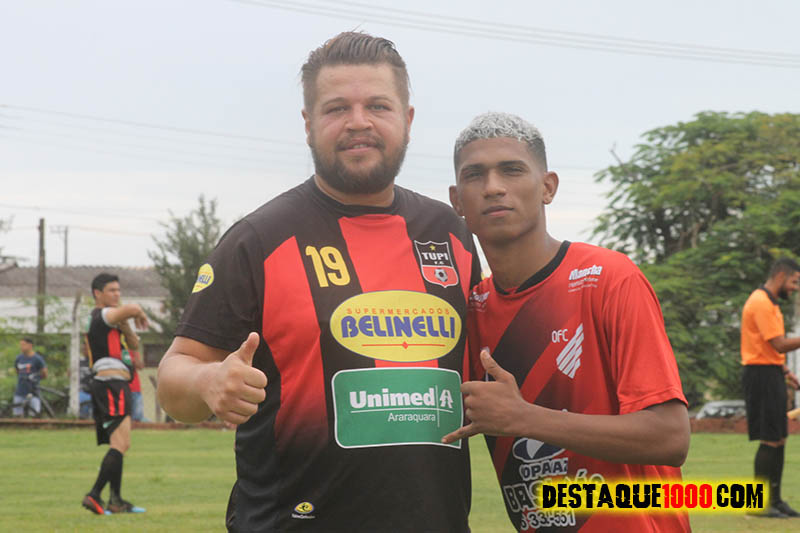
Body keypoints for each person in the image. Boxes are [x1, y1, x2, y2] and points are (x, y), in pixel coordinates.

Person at [157, 31, 481, 532]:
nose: (358, 122)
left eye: (378, 105)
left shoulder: (450, 233)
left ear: (408, 119)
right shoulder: (259, 240)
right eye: (337, 108)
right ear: (308, 125)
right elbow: (173, 375)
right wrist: (208, 380)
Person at [444, 112, 691, 532]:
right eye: (475, 175)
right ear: (456, 201)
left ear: (548, 187)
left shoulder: (609, 279)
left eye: (511, 170)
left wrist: (523, 418)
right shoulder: (470, 310)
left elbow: (670, 437)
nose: (493, 187)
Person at [82, 272, 149, 515]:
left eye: (118, 290)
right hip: (111, 384)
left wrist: (126, 324)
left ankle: (116, 501)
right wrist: (138, 313)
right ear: (97, 293)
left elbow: (133, 343)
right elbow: (133, 308)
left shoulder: (110, 319)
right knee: (121, 443)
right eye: (111, 290)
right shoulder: (103, 314)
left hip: (113, 384)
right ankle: (94, 495)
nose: (117, 295)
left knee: (119, 443)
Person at [740, 257, 800, 518]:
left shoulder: (771, 303)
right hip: (760, 374)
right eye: (794, 281)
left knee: (779, 438)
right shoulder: (760, 302)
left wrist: (785, 372)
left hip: (772, 372)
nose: (795, 288)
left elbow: (771, 349)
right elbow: (779, 344)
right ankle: (759, 504)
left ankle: (775, 500)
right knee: (769, 438)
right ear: (781, 276)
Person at [13, 337, 48, 417]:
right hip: (20, 390)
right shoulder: (19, 358)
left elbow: (44, 373)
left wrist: (36, 379)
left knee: (34, 415)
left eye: (23, 345)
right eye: (20, 345)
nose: (21, 347)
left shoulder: (37, 359)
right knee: (17, 415)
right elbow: (17, 371)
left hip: (33, 391)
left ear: (30, 345)